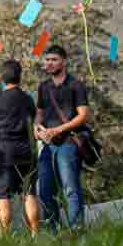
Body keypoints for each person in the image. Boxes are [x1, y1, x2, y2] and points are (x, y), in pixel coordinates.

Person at [34, 44, 91, 230]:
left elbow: (83, 115)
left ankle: (77, 231)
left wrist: (58, 130)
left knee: (70, 189)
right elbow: (40, 112)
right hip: (47, 145)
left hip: (68, 143)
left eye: (54, 60)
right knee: (45, 192)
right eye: (47, 60)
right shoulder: (43, 87)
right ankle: (52, 233)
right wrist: (36, 127)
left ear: (64, 62)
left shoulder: (76, 85)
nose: (49, 63)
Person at [0, 59, 39, 236]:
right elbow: (31, 119)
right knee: (29, 194)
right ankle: (35, 234)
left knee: (2, 197)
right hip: (26, 154)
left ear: (2, 77)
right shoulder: (28, 100)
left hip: (3, 156)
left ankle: (4, 238)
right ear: (19, 77)